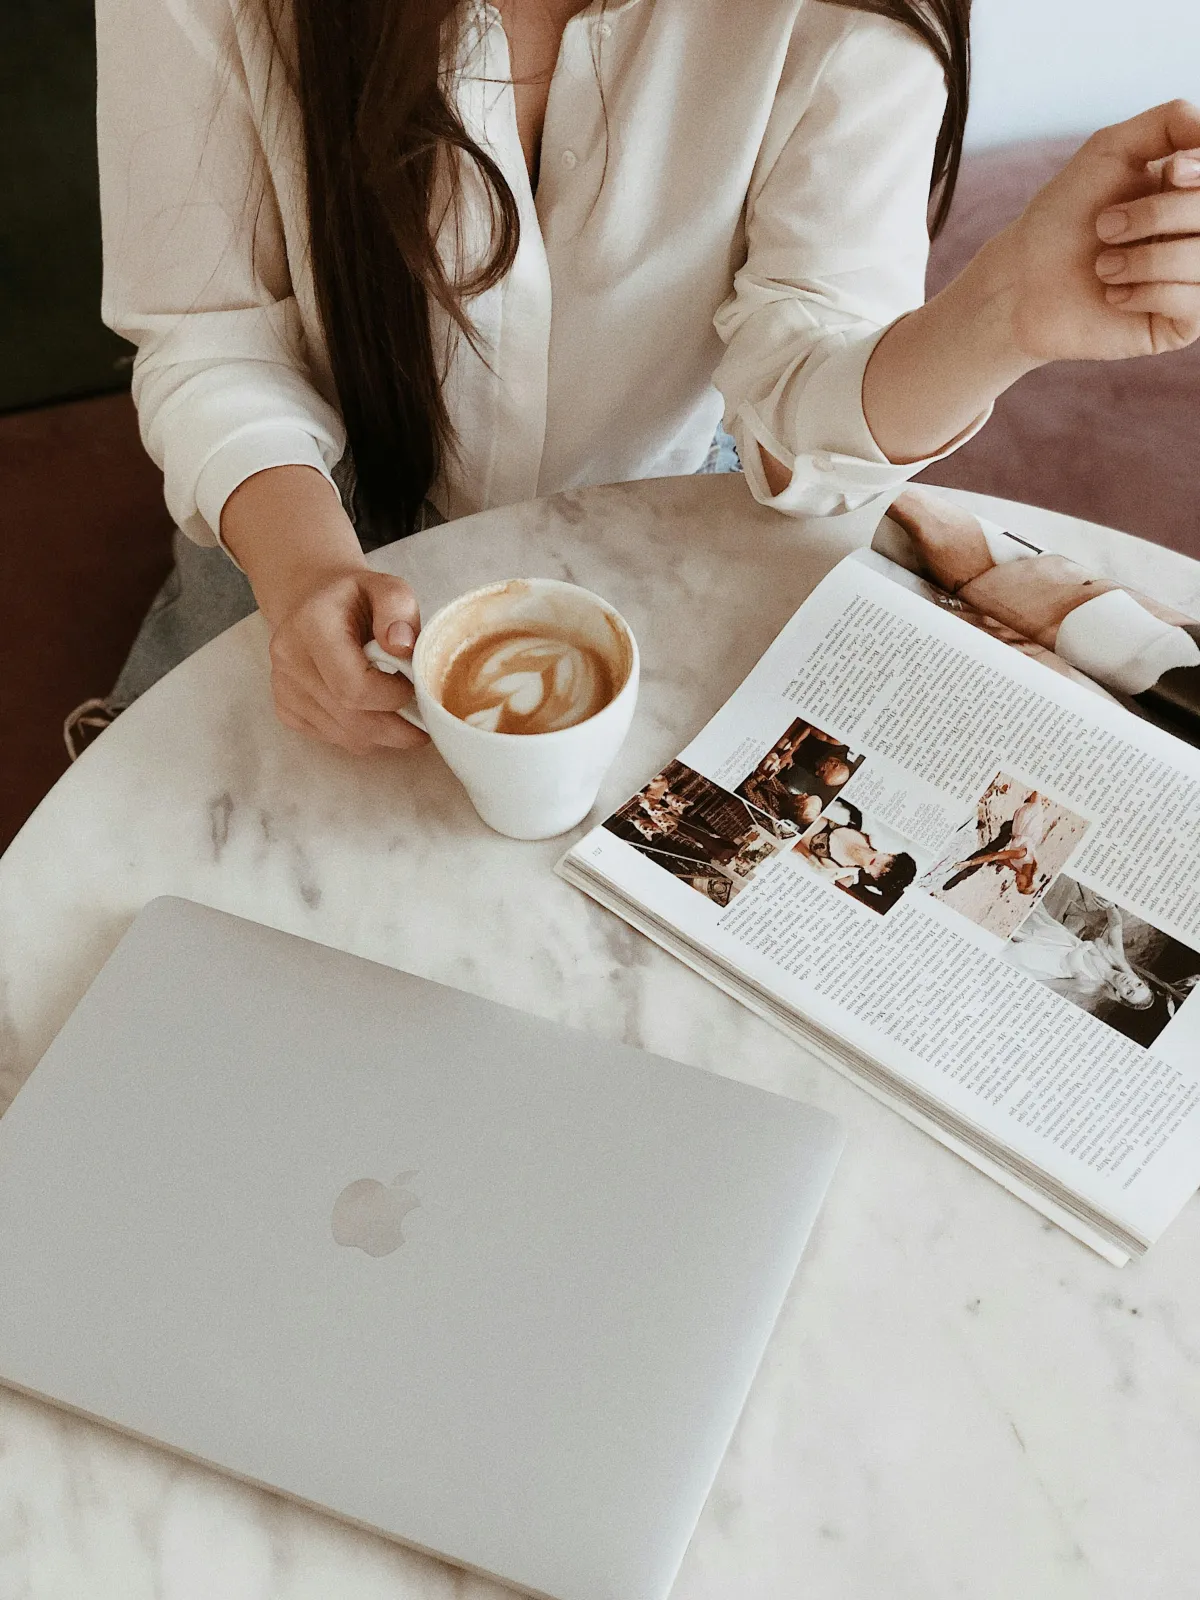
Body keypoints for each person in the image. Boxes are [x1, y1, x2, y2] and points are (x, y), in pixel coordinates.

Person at [92, 0, 1200, 759]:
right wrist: (304, 573)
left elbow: (796, 403)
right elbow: (210, 332)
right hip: (299, 511)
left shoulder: (856, 18)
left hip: (664, 510)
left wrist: (1004, 315)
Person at [942, 790, 1052, 897]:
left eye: (1017, 884)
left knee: (991, 849)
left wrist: (992, 861)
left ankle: (957, 877)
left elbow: (1002, 859)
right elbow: (997, 856)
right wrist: (971, 863)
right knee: (1036, 797)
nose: (1015, 881)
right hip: (1029, 825)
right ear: (1029, 878)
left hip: (1018, 831)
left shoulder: (1020, 869)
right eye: (1020, 883)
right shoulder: (1023, 856)